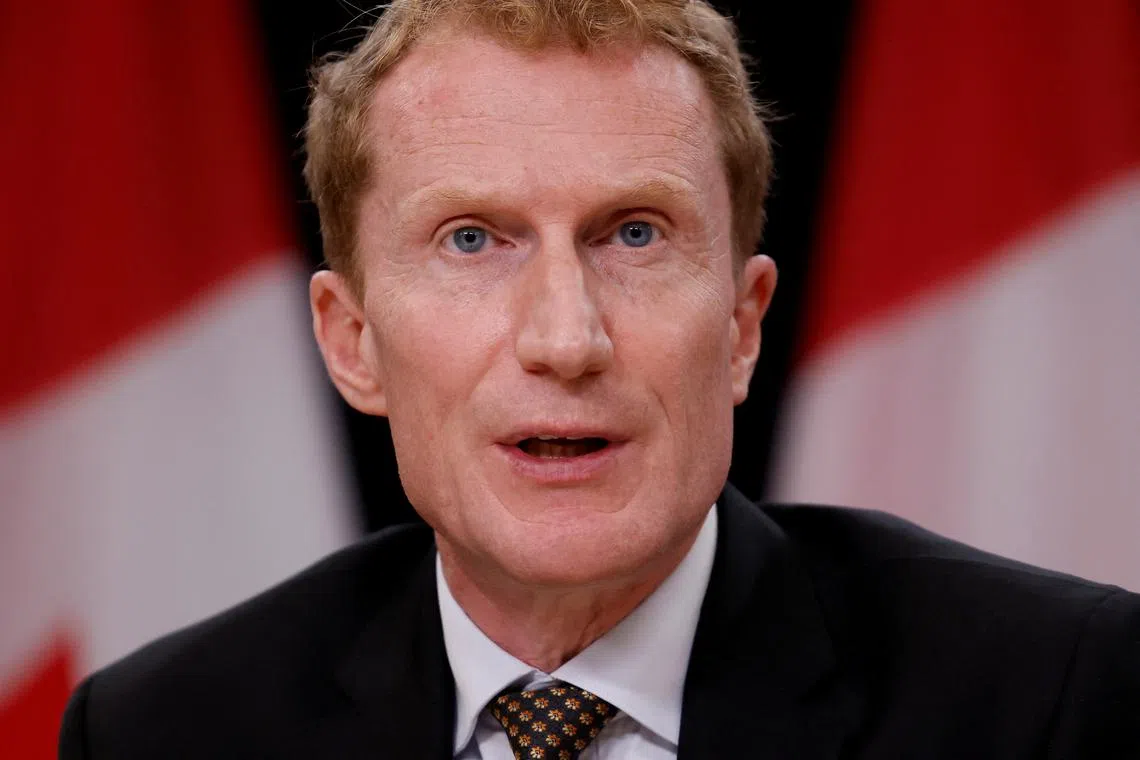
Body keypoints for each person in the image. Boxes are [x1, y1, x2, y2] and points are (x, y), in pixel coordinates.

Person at [59, 0, 1139, 757]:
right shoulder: (169, 727)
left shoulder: (1045, 696)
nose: (567, 340)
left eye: (633, 233)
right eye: (474, 240)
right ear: (353, 342)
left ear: (742, 324)